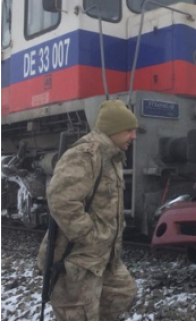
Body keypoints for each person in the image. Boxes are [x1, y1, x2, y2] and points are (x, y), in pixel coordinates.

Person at [37, 99, 139, 321]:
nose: (134, 136)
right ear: (113, 129)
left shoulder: (113, 157)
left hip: (103, 256)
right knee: (79, 313)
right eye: (129, 130)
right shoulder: (85, 155)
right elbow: (61, 200)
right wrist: (88, 236)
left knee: (123, 292)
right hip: (78, 257)